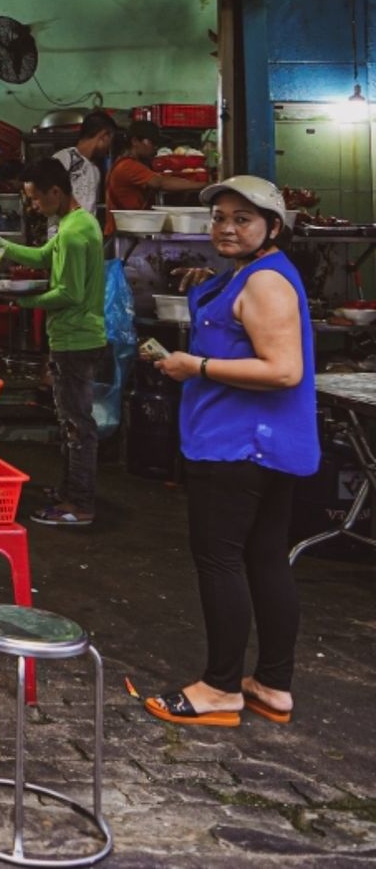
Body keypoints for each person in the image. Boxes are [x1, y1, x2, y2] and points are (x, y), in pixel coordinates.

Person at [143, 176, 318, 729]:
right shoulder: (250, 274)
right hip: (261, 445)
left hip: (239, 446)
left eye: (242, 219)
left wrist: (194, 366)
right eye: (220, 217)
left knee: (219, 560)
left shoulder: (266, 282)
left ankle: (219, 688)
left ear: (273, 226)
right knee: (265, 558)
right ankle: (272, 684)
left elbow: (283, 369)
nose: (225, 226)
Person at [0, 156, 106, 527]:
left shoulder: (72, 232)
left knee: (77, 425)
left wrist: (23, 301)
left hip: (76, 340)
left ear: (56, 191)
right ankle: (71, 491)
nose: (33, 206)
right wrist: (0, 244)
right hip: (77, 337)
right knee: (72, 420)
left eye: (36, 199)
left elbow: (68, 292)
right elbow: (40, 258)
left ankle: (79, 504)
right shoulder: (78, 222)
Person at [104, 119, 204, 235]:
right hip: (123, 236)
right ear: (135, 141)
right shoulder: (128, 166)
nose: (156, 147)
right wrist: (202, 185)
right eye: (152, 142)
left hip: (127, 232)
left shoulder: (123, 163)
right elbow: (160, 183)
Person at [48, 110, 117, 233]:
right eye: (110, 140)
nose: (109, 147)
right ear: (104, 136)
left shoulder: (95, 171)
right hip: (61, 239)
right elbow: (47, 197)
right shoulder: (65, 158)